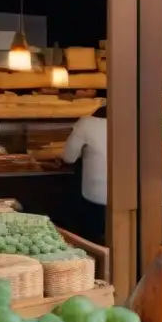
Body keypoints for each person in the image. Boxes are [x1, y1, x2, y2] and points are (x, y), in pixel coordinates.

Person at [62, 105, 107, 245]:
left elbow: (68, 157)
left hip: (95, 196)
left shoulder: (86, 123)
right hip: (129, 197)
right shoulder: (135, 121)